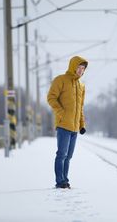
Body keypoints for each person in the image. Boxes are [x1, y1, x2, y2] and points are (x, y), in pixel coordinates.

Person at [47, 56, 88, 189]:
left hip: (75, 127)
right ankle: (60, 182)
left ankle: (65, 180)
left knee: (68, 156)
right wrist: (62, 113)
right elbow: (51, 98)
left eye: (83, 69)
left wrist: (82, 125)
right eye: (79, 67)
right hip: (64, 125)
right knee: (61, 154)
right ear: (73, 66)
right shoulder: (61, 80)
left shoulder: (81, 86)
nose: (81, 71)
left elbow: (80, 107)